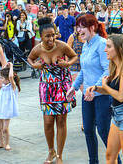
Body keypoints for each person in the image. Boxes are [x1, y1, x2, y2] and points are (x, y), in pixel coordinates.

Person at [66, 14, 120, 164]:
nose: (79, 30)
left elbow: (107, 71)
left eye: (82, 26)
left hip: (101, 95)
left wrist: (94, 88)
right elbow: (83, 70)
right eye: (77, 27)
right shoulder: (86, 45)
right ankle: (93, 161)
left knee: (103, 131)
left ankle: (117, 161)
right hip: (87, 95)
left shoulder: (102, 43)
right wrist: (74, 87)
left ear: (92, 27)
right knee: (88, 130)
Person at [85, 34, 123, 163]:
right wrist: (96, 88)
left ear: (120, 49)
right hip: (118, 115)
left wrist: (104, 84)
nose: (105, 49)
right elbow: (110, 91)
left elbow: (121, 96)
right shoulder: (114, 67)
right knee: (110, 155)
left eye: (109, 46)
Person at [27, 17, 77, 164]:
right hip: (46, 89)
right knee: (48, 122)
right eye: (47, 36)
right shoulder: (37, 49)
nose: (51, 38)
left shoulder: (61, 46)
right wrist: (35, 66)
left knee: (61, 121)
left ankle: (60, 155)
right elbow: (30, 58)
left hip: (62, 86)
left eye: (53, 34)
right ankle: (51, 152)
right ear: (41, 36)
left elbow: (74, 56)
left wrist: (67, 63)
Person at [0, 63, 20, 150]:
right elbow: (2, 74)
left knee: (5, 129)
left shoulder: (12, 87)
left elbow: (11, 77)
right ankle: (1, 143)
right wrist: (5, 68)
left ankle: (7, 143)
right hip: (0, 108)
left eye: (2, 78)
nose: (0, 80)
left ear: (8, 79)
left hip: (7, 109)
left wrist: (11, 67)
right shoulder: (3, 85)